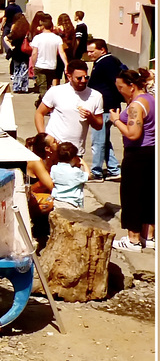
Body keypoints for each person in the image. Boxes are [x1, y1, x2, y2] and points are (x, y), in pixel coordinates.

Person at [109, 67, 155, 251]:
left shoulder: (136, 105)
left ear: (131, 86)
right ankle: (149, 236)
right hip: (151, 152)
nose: (119, 91)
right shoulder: (151, 99)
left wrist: (116, 120)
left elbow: (133, 133)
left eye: (121, 87)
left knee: (132, 196)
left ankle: (133, 239)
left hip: (137, 154)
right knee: (149, 194)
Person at [34, 59, 103, 157]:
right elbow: (39, 113)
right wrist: (44, 137)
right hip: (55, 149)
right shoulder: (56, 91)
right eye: (79, 78)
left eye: (86, 77)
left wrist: (90, 117)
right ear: (69, 77)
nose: (83, 81)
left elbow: (99, 125)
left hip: (76, 152)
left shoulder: (96, 96)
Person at [85, 38, 126, 181]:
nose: (89, 54)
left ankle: (96, 172)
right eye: (88, 51)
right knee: (104, 140)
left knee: (98, 142)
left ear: (102, 50)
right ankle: (114, 169)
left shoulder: (106, 63)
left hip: (105, 108)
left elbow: (116, 83)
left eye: (92, 51)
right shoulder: (107, 61)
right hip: (108, 106)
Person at [28, 14, 66, 101]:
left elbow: (34, 53)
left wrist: (32, 64)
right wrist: (66, 64)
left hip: (40, 65)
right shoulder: (57, 38)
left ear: (43, 26)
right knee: (48, 86)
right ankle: (41, 103)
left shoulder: (37, 38)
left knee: (43, 87)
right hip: (52, 66)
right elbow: (61, 52)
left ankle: (46, 106)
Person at [50, 142, 87, 209]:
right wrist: (84, 163)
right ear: (73, 158)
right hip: (72, 203)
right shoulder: (76, 172)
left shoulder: (54, 168)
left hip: (57, 201)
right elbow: (88, 176)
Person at [2, 14, 32, 93]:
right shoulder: (27, 30)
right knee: (24, 70)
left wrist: (11, 46)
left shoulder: (15, 30)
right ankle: (24, 87)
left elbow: (6, 38)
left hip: (16, 51)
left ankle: (16, 86)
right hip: (25, 51)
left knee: (16, 69)